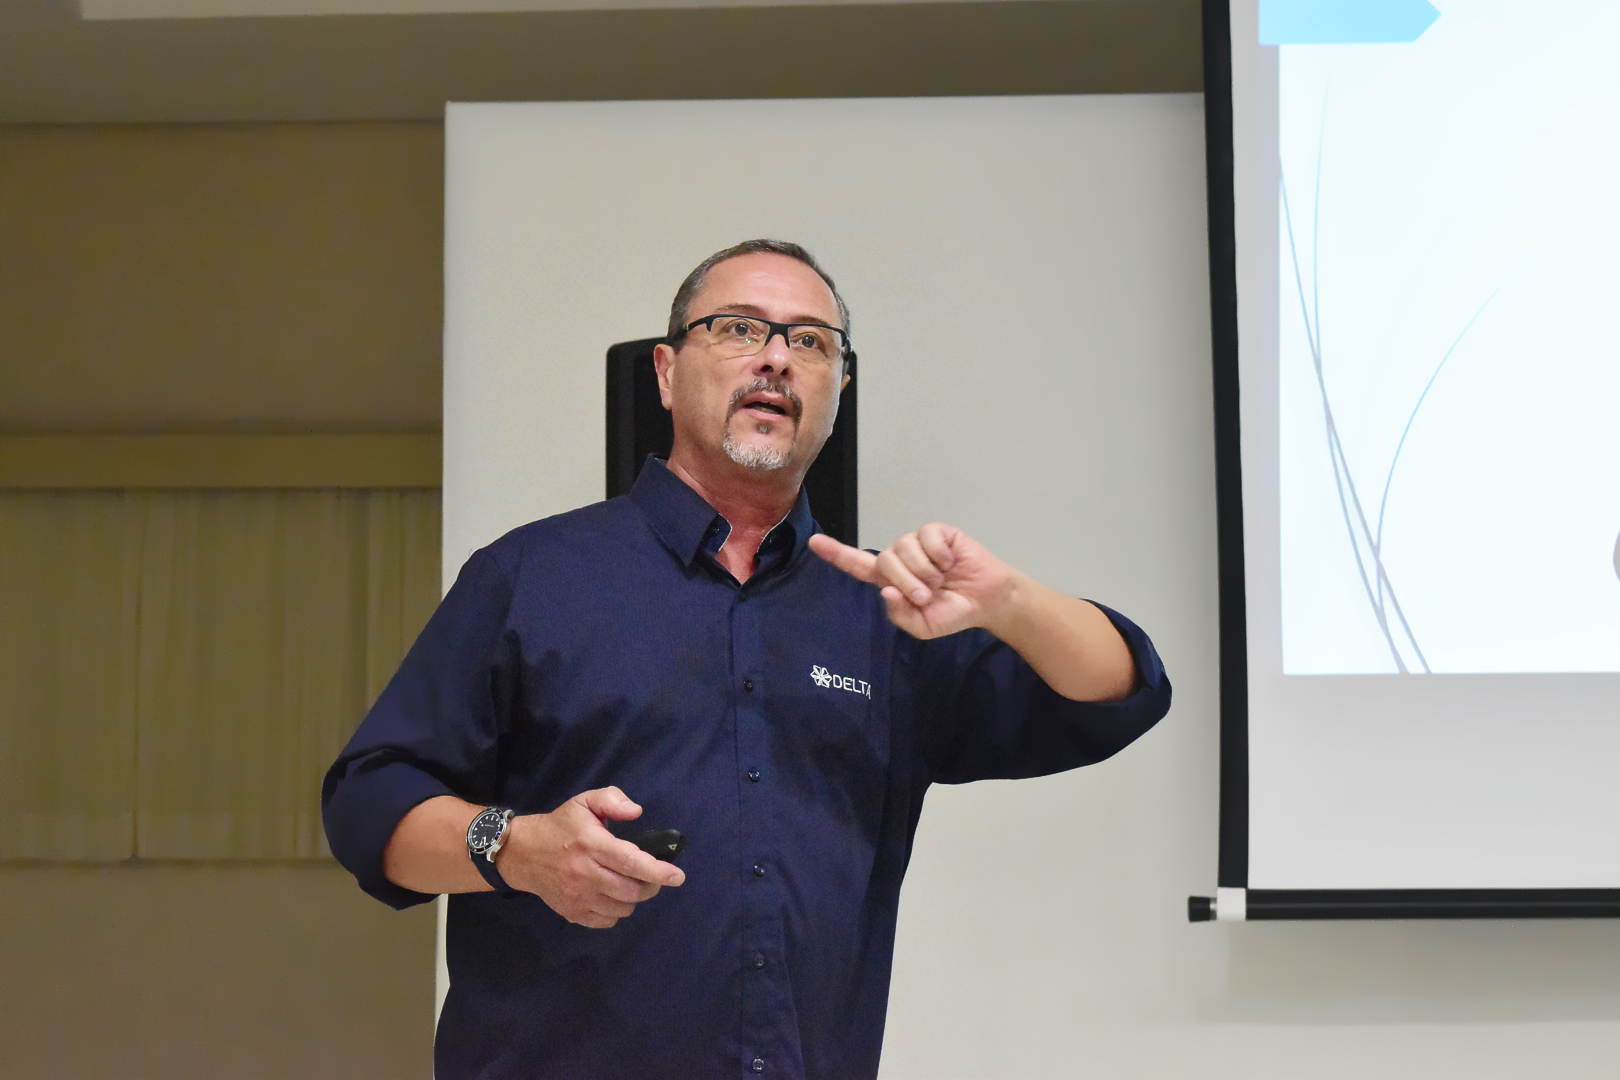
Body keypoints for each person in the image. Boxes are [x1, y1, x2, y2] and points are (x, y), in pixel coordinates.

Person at [322, 239, 1171, 1080]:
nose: (776, 358)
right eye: (738, 329)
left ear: (837, 391)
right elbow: (367, 804)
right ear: (666, 373)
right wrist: (514, 847)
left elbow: (1120, 692)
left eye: (811, 342)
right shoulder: (532, 576)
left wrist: (1009, 600)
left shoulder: (884, 614)